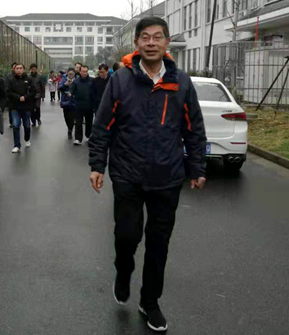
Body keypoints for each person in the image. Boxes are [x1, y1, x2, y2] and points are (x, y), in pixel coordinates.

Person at [88, 17, 207, 333]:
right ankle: (123, 269)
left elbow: (194, 128)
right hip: (127, 174)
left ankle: (149, 302)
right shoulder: (121, 80)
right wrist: (97, 165)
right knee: (127, 236)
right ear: (137, 44)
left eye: (157, 37)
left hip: (167, 177)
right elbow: (102, 126)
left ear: (167, 43)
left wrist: (197, 167)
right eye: (145, 37)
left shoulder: (181, 82)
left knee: (159, 244)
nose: (151, 42)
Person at [7, 63, 36, 153]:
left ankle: (27, 139)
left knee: (27, 125)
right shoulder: (11, 80)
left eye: (20, 68)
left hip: (26, 106)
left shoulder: (29, 80)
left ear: (24, 69)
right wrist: (18, 97)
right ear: (14, 69)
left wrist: (25, 97)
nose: (19, 70)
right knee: (16, 125)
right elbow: (8, 92)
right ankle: (17, 145)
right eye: (17, 68)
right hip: (15, 106)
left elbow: (33, 91)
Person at [70, 64, 95, 146]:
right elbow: (71, 90)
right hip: (78, 105)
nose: (85, 73)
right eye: (83, 71)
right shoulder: (76, 81)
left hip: (89, 105)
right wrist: (70, 95)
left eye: (86, 71)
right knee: (78, 123)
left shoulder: (92, 81)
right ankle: (78, 138)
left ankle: (88, 136)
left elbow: (96, 92)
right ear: (80, 72)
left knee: (89, 122)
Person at [59, 68, 77, 139]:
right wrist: (65, 85)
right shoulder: (64, 79)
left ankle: (70, 129)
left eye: (72, 74)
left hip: (74, 101)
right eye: (69, 74)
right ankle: (69, 127)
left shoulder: (77, 80)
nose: (71, 76)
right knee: (66, 117)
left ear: (74, 74)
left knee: (71, 117)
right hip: (65, 101)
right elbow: (59, 88)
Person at [7, 63, 18, 128]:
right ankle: (12, 122)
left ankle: (17, 120)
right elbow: (6, 85)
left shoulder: (20, 76)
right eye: (14, 68)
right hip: (10, 96)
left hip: (18, 96)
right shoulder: (9, 76)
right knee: (11, 109)